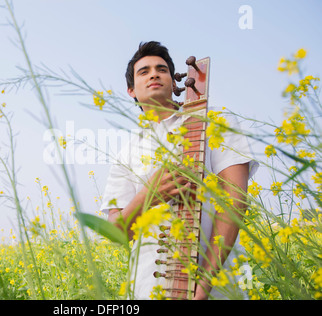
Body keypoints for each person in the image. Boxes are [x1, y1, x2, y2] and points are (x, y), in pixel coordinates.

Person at [100, 41, 258, 300]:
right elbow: (117, 232)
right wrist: (148, 195)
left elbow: (234, 202)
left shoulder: (213, 121)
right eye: (144, 71)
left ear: (175, 83)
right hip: (146, 291)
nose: (154, 74)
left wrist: (204, 286)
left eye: (161, 69)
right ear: (131, 91)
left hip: (214, 288)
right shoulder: (124, 155)